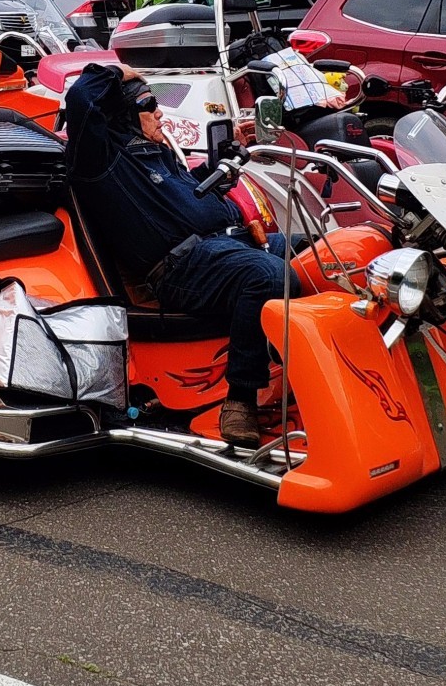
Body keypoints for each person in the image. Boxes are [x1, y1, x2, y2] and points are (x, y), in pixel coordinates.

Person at [63, 62, 294, 447]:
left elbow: (189, 196)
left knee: (325, 252)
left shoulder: (157, 154)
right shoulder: (102, 160)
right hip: (181, 268)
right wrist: (117, 70)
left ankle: (314, 373)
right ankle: (240, 400)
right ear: (123, 114)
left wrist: (226, 161)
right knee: (265, 275)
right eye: (148, 104)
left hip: (227, 247)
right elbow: (81, 99)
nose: (159, 111)